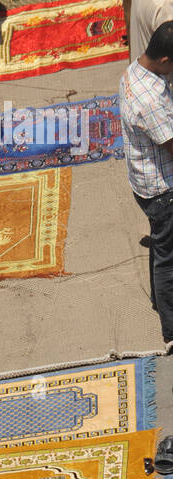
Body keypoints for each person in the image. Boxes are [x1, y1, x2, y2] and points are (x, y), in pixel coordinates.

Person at [120, 22, 173, 350]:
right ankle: (171, 331)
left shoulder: (133, 69)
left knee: (161, 245)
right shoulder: (152, 99)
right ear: (165, 61)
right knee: (167, 258)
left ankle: (160, 299)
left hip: (143, 180)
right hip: (163, 191)